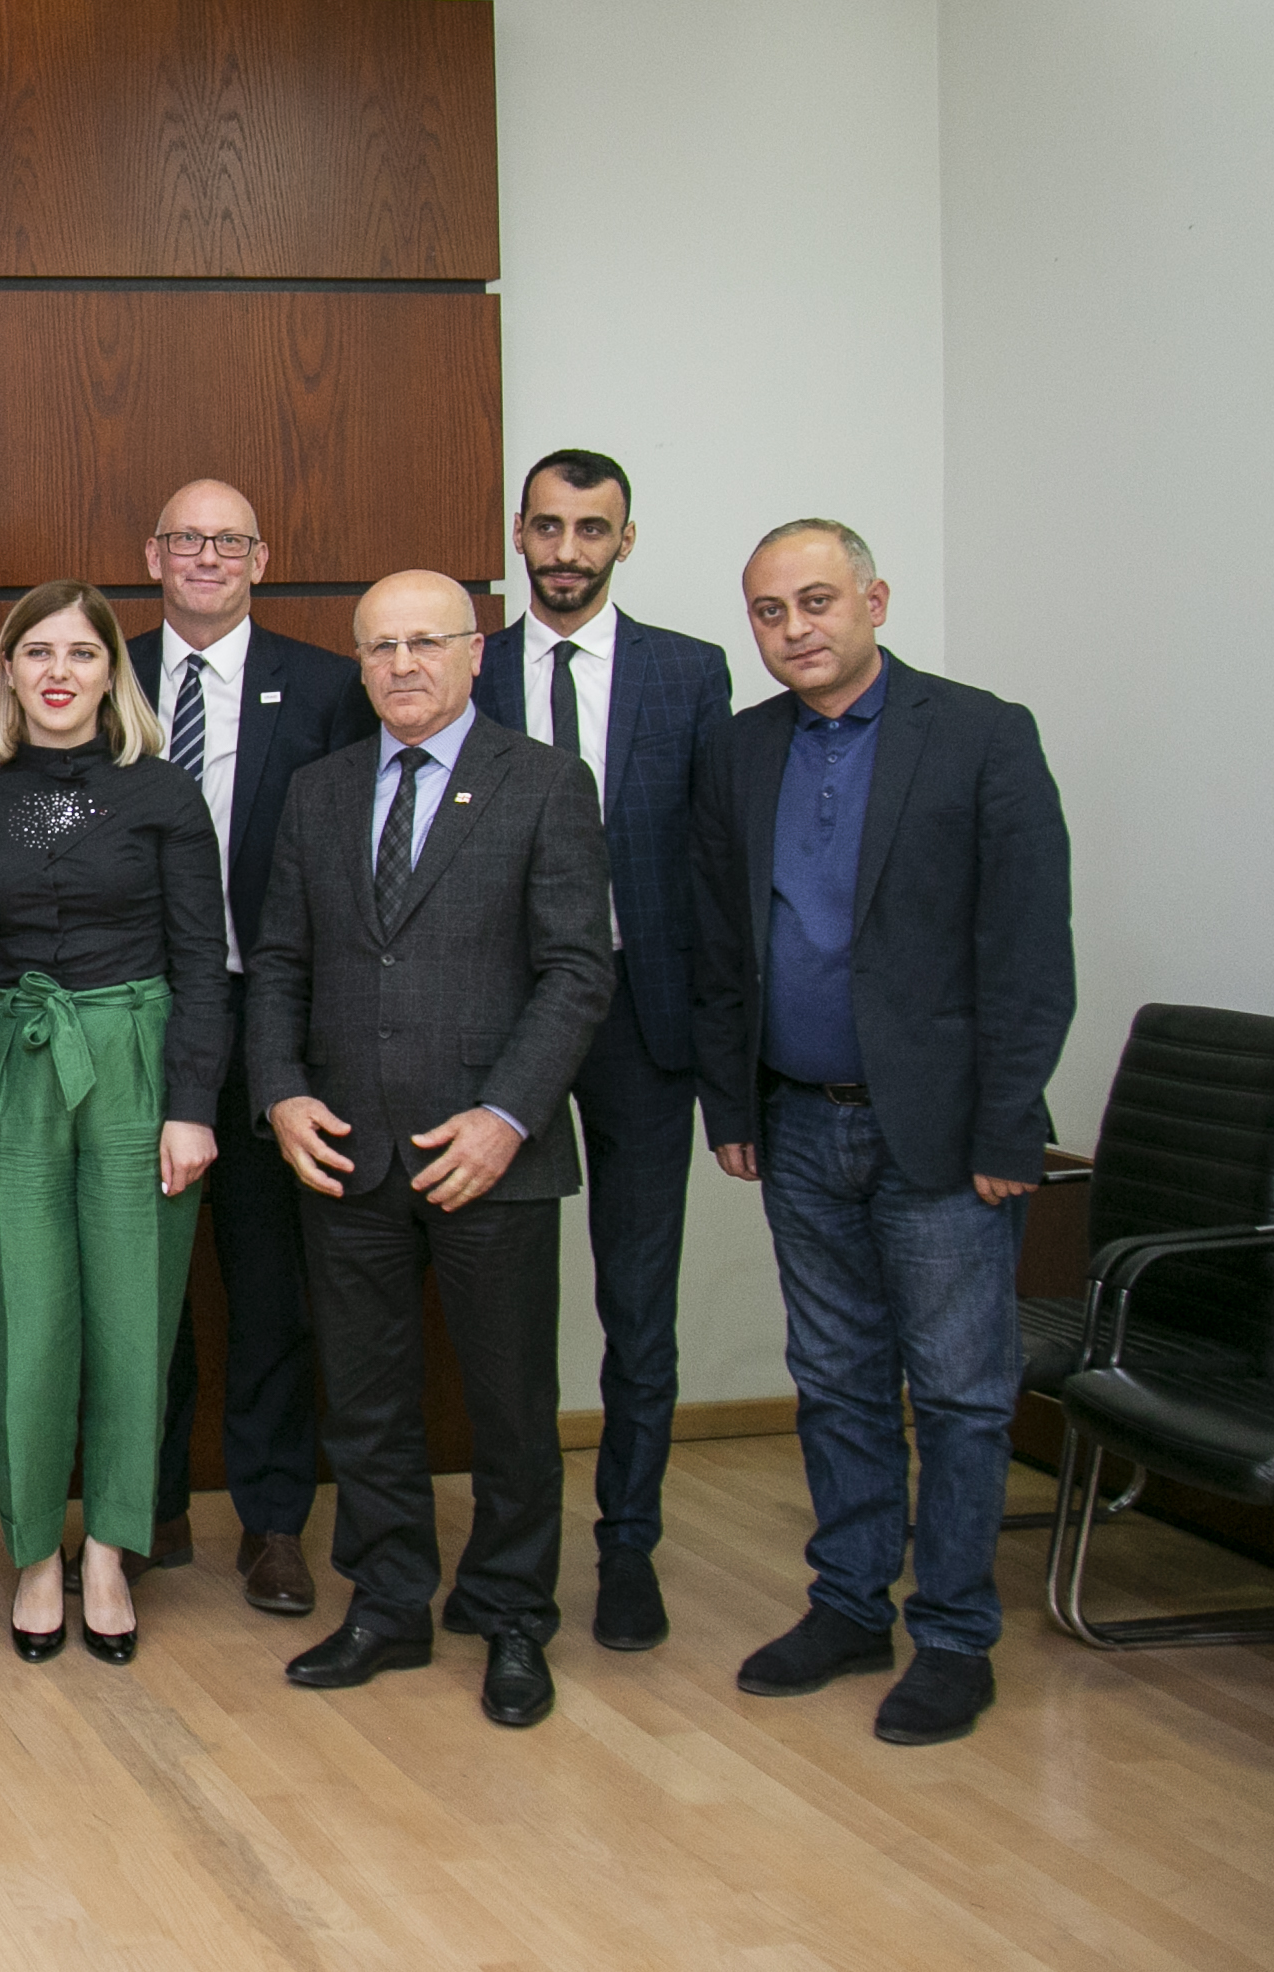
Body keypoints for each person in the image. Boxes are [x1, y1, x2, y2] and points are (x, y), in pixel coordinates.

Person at [693, 519, 1072, 1748]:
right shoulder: (740, 749)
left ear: (874, 600)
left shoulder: (979, 736)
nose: (792, 629)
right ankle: (849, 1606)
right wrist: (731, 1104)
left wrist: (1007, 1128)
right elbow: (720, 944)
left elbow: (1028, 952)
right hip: (797, 1122)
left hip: (947, 1136)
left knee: (958, 1395)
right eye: (767, 611)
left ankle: (953, 1635)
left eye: (814, 601)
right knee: (835, 1381)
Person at [249, 570, 612, 1730]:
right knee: (363, 1404)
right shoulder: (317, 791)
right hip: (344, 1151)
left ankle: (509, 1616)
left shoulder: (544, 783)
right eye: (379, 647)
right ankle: (388, 1603)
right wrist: (279, 1094)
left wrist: (506, 1115)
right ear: (357, 664)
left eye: (424, 642)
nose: (401, 664)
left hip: (486, 1153)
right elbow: (279, 961)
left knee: (508, 1406)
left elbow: (575, 970)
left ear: (472, 653)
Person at [0, 582, 228, 1666]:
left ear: (111, 673)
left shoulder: (164, 794)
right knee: (27, 1318)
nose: (59, 672)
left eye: (81, 654)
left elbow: (202, 962)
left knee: (132, 1319)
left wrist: (191, 1107)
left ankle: (107, 1547)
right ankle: (33, 1553)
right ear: (8, 672)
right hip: (11, 1066)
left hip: (135, 1067)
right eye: (37, 653)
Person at [467, 450, 733, 1651]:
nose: (564, 550)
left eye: (590, 529)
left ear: (624, 540)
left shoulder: (688, 672)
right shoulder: (467, 666)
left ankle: (627, 1545)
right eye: (546, 527)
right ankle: (500, 1545)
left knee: (636, 1301)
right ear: (517, 534)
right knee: (493, 1300)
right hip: (501, 1018)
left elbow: (713, 864)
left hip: (641, 1022)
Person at [123, 479, 377, 1616]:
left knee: (271, 1286)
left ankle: (273, 1521)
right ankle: (147, 1507)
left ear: (261, 559)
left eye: (229, 541)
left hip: (273, 1021)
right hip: (134, 1021)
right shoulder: (102, 670)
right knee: (144, 1284)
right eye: (187, 539)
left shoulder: (326, 689)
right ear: (153, 556)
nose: (207, 557)